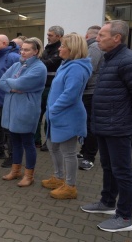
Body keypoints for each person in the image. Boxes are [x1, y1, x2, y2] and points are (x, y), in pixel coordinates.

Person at [80, 20, 132, 233]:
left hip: (118, 127)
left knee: (123, 171)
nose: (96, 39)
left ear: (117, 38)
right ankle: (107, 202)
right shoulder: (109, 59)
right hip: (103, 124)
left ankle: (124, 216)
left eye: (102, 35)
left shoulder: (128, 61)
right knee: (109, 167)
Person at [42, 33, 92, 199]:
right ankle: (58, 177)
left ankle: (70, 186)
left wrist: (54, 109)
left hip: (67, 116)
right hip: (57, 115)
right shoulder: (66, 64)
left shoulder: (77, 68)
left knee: (68, 152)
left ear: (72, 49)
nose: (59, 49)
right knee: (53, 146)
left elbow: (70, 94)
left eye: (62, 46)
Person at [0, 37, 47, 187]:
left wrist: (12, 84)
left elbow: (21, 83)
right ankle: (16, 170)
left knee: (28, 142)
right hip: (13, 110)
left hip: (26, 110)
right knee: (15, 141)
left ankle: (29, 175)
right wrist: (13, 87)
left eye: (26, 50)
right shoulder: (17, 65)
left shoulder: (39, 68)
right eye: (22, 49)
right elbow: (1, 82)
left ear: (36, 51)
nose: (23, 52)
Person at [0, 35, 20, 169]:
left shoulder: (13, 57)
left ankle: (12, 156)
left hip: (6, 98)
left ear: (4, 43)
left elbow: (19, 76)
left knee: (8, 129)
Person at [78, 25, 104, 171]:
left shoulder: (93, 48)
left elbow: (89, 69)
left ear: (87, 35)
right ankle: (84, 151)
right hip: (89, 91)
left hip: (90, 92)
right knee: (86, 123)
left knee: (90, 124)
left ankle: (89, 157)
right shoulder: (93, 47)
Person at [36, 26, 64, 151]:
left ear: (58, 36)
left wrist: (41, 61)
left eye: (50, 35)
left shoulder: (60, 50)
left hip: (52, 87)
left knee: (49, 116)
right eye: (47, 34)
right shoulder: (47, 48)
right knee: (37, 114)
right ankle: (36, 139)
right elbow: (43, 62)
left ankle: (49, 141)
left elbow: (50, 63)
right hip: (41, 86)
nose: (48, 37)